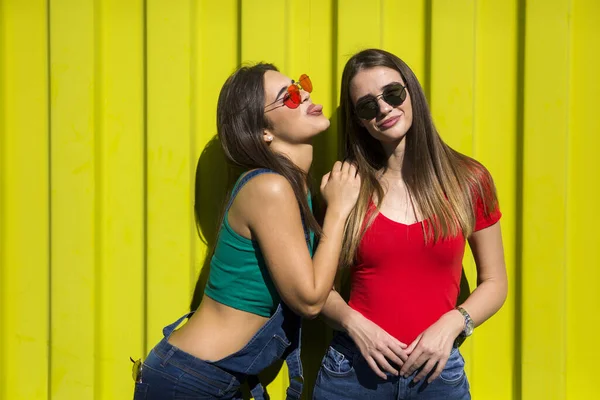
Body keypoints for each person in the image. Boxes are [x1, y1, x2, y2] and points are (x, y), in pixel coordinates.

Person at [132, 63, 361, 400]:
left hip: (213, 378)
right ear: (263, 131)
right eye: (290, 96)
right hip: (190, 381)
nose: (306, 94)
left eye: (301, 85)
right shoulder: (270, 188)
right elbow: (310, 300)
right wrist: (339, 210)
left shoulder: (295, 188)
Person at [313, 49, 508, 400]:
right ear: (359, 120)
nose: (384, 109)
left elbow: (495, 282)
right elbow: (312, 288)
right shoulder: (346, 186)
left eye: (393, 93)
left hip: (436, 375)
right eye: (368, 106)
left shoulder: (468, 180)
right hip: (353, 372)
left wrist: (453, 323)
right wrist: (355, 325)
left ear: (411, 91)